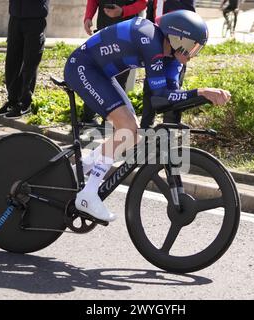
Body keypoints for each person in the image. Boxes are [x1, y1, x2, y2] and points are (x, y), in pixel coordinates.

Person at [63, 10, 231, 222]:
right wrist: (200, 92)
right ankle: (88, 195)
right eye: (192, 46)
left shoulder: (173, 59)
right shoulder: (149, 37)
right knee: (127, 128)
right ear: (177, 36)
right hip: (82, 67)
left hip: (100, 73)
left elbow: (168, 98)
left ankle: (80, 168)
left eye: (197, 49)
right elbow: (159, 96)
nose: (192, 54)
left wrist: (201, 96)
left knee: (132, 135)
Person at [81, 0, 147, 124]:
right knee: (96, 74)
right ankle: (88, 117)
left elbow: (142, 3)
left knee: (119, 79)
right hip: (103, 32)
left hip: (125, 36)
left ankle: (110, 121)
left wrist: (122, 11)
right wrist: (88, 17)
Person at [140, 0, 196, 128]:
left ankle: (170, 129)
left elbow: (188, 22)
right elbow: (150, 20)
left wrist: (175, 47)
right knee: (149, 90)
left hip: (176, 51)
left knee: (173, 91)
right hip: (155, 49)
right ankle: (145, 131)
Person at [0, 0, 49, 119]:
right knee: (12, 63)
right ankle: (12, 101)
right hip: (15, 17)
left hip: (35, 18)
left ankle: (25, 103)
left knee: (30, 62)